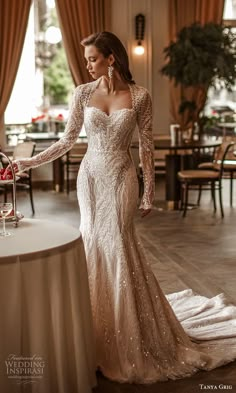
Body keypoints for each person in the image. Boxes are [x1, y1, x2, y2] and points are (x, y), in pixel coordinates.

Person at [5, 31, 236, 384]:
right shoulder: (83, 93)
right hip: (91, 179)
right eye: (86, 60)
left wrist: (146, 194)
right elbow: (68, 139)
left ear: (111, 57)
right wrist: (29, 163)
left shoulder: (140, 96)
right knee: (93, 243)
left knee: (118, 244)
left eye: (93, 58)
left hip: (121, 177)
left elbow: (145, 148)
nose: (87, 65)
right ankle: (91, 333)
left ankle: (129, 335)